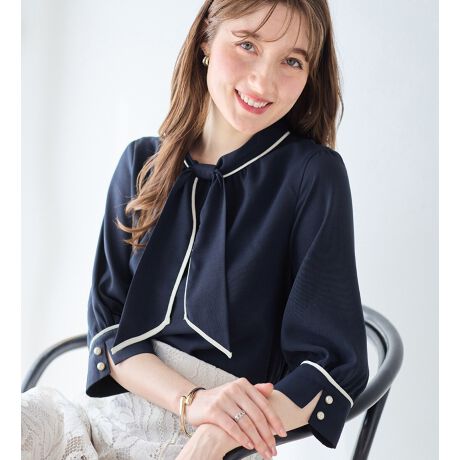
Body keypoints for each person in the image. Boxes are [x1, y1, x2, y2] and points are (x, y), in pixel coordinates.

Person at [21, 1, 370, 459]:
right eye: (247, 45)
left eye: (291, 60)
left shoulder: (312, 176)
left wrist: (223, 431)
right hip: (101, 417)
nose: (263, 81)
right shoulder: (141, 164)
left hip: (213, 437)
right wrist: (194, 401)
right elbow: (110, 333)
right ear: (206, 39)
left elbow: (332, 366)